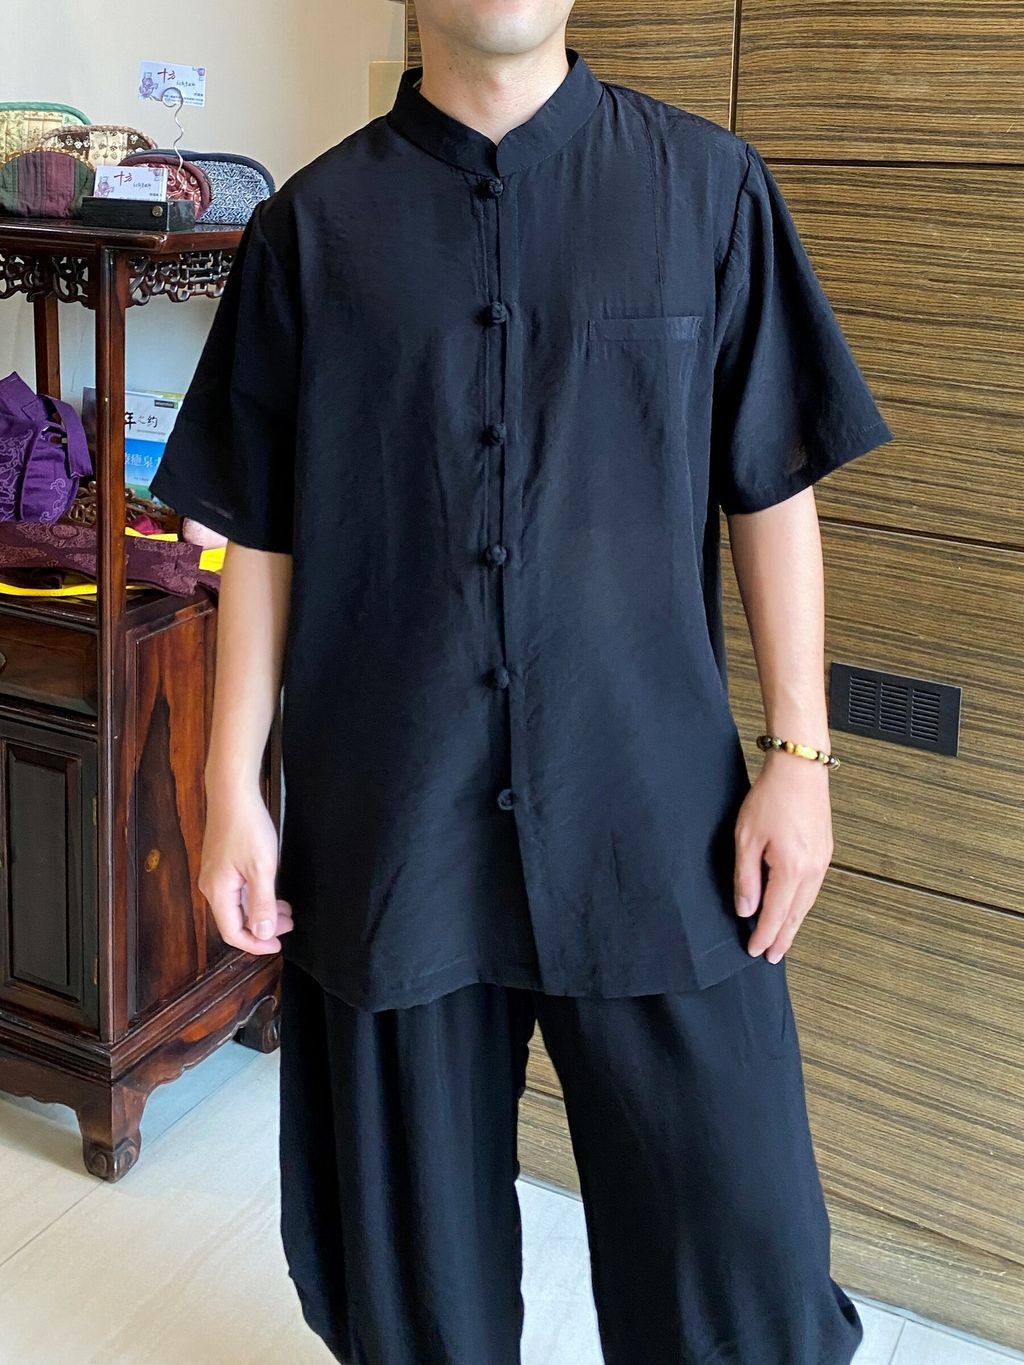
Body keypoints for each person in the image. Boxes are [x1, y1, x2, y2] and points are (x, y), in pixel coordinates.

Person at [150, 4, 894, 1362]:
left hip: (653, 814)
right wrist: (229, 784)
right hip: (391, 824)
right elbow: (262, 528)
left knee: (747, 1269)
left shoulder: (707, 189)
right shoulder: (311, 231)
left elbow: (770, 482)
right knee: (411, 1295)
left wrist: (803, 756)